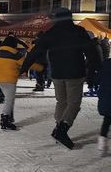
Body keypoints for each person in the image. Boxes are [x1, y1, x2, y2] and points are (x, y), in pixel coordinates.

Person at [22, 8, 99, 149]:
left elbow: (35, 51)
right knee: (74, 103)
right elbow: (91, 52)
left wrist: (23, 67)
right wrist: (93, 70)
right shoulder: (78, 31)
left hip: (57, 73)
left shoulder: (50, 33)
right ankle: (62, 130)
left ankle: (58, 127)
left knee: (62, 101)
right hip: (75, 73)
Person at [97, 57, 111, 156]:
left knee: (107, 121)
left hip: (106, 99)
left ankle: (102, 144)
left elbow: (98, 79)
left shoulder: (105, 64)